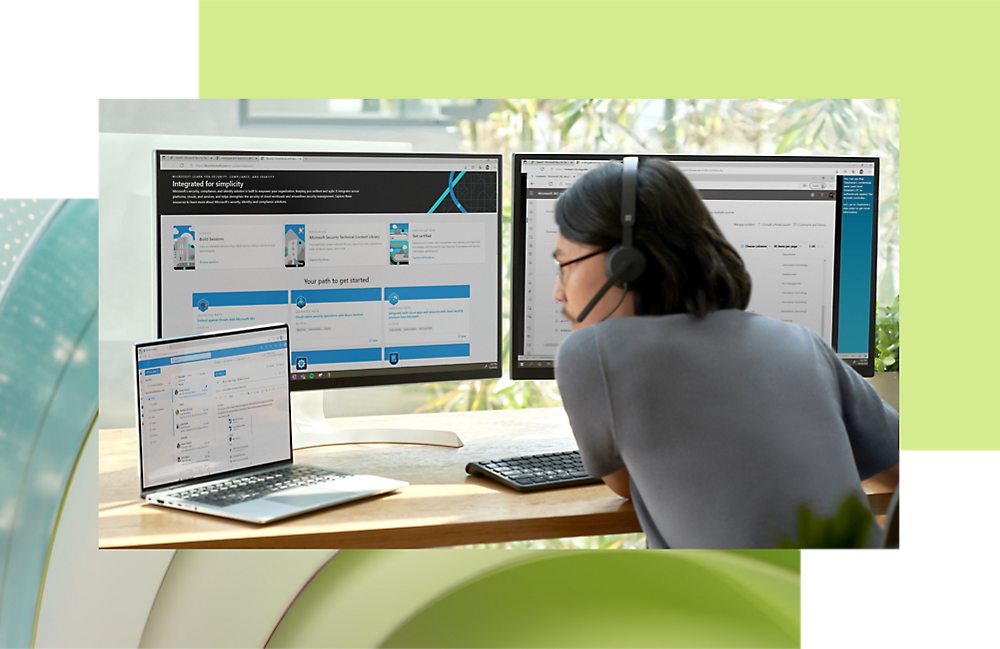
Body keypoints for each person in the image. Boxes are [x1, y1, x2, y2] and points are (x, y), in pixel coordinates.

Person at [552, 157, 899, 549]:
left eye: (565, 262)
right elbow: (902, 467)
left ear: (625, 263)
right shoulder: (800, 341)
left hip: (739, 605)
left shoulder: (589, 353)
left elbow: (624, 485)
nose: (559, 290)